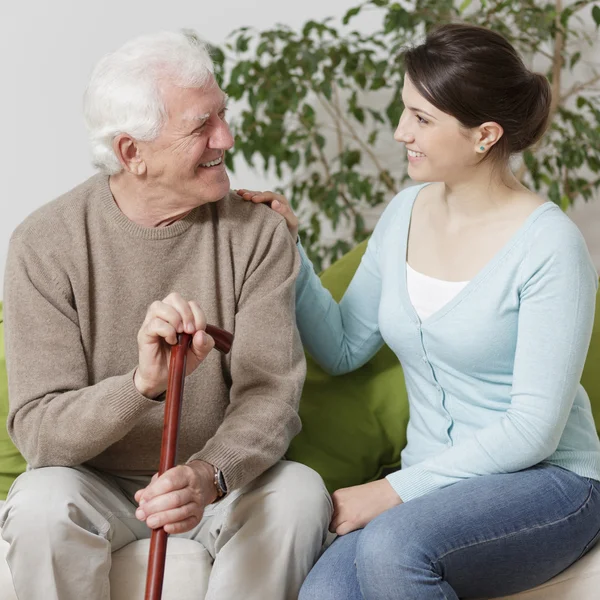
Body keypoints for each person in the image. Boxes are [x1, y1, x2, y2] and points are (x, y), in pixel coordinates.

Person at [237, 23, 600, 600]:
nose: (401, 131)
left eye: (422, 119)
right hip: (433, 488)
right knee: (323, 594)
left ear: (484, 135)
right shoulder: (404, 213)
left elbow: (534, 430)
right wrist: (291, 250)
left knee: (393, 547)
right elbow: (343, 346)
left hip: (549, 484)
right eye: (405, 110)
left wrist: (393, 491)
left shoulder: (549, 246)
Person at [0, 30, 332, 600]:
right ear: (133, 153)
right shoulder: (45, 243)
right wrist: (141, 385)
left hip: (221, 484)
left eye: (222, 116)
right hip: (94, 481)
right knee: (39, 505)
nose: (225, 137)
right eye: (201, 125)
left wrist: (209, 474)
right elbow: (41, 433)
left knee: (300, 493)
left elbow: (270, 394)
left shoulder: (258, 234)